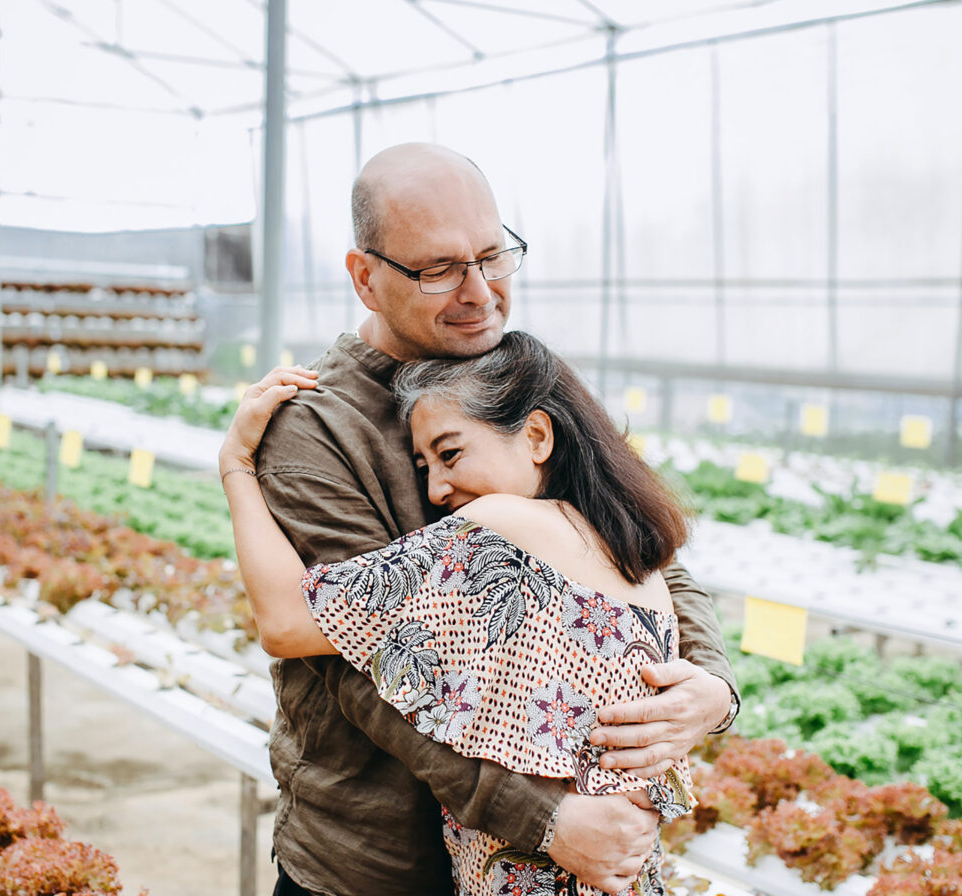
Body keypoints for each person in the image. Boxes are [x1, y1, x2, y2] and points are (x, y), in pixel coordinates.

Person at [240, 142, 739, 896]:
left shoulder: (509, 368)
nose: (479, 292)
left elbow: (635, 539)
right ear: (364, 277)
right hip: (380, 864)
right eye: (438, 269)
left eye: (493, 255)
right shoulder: (315, 426)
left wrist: (709, 685)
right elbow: (358, 668)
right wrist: (543, 820)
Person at [219, 330, 697, 896]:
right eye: (423, 467)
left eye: (449, 453)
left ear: (537, 435)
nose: (438, 488)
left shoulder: (503, 529)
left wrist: (236, 466)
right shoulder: (635, 559)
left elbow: (284, 621)